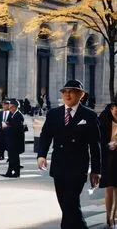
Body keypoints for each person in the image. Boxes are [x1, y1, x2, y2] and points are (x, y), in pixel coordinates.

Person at [37, 79, 101, 229]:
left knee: (70, 204)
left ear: (81, 94)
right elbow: (46, 135)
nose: (67, 94)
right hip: (59, 166)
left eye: (71, 91)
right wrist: (41, 155)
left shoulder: (89, 115)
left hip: (78, 167)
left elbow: (95, 144)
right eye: (65, 91)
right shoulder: (53, 114)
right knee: (65, 206)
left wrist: (96, 170)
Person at [98, 102, 117, 227]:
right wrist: (107, 145)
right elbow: (98, 137)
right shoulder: (104, 118)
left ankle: (114, 216)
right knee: (109, 188)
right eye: (116, 111)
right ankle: (108, 216)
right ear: (111, 109)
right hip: (107, 156)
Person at [1, 99, 24, 178]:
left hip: (16, 141)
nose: (9, 108)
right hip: (11, 140)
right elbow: (9, 122)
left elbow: (16, 129)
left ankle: (17, 173)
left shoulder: (18, 115)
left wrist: (6, 127)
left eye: (11, 107)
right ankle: (9, 172)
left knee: (15, 157)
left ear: (15, 107)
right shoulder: (12, 114)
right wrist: (7, 125)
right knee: (11, 157)